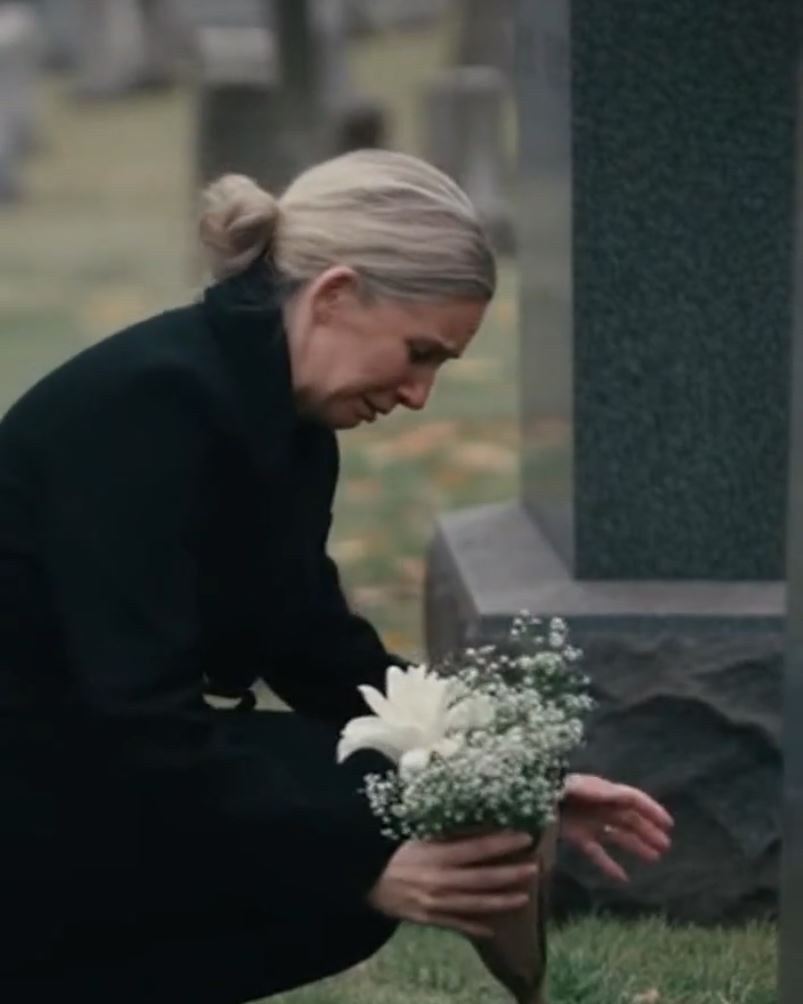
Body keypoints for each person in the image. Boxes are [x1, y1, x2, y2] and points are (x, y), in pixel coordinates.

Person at [0, 149, 673, 1003]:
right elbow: (137, 721)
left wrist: (504, 772)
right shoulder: (148, 407)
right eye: (418, 352)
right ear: (335, 296)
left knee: (386, 803)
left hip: (71, 763)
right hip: (31, 789)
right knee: (362, 836)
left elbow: (312, 645)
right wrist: (351, 860)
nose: (419, 395)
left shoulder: (276, 416)